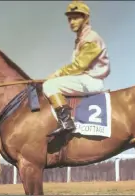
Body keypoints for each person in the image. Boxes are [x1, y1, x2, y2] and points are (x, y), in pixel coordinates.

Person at [43, 0, 110, 136]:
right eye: (69, 19)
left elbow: (79, 66)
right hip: (86, 78)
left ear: (85, 19)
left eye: (76, 18)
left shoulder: (91, 38)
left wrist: (57, 74)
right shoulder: (81, 38)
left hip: (91, 80)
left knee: (49, 85)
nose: (72, 22)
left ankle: (66, 122)